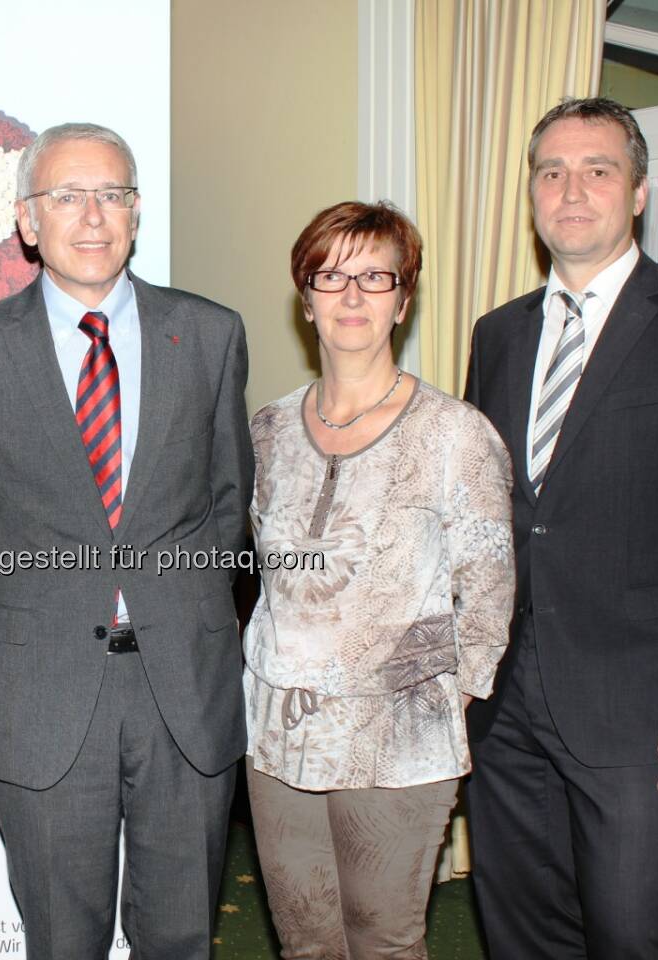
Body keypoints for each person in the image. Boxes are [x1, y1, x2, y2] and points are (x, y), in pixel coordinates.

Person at [0, 122, 253, 959]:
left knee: (180, 934)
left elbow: (227, 504)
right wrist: (26, 617)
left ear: (136, 214)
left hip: (183, 683)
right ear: (27, 222)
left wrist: (182, 605)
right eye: (67, 196)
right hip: (44, 690)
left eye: (113, 194)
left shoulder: (210, 336)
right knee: (61, 940)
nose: (93, 216)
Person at [464, 96, 658, 959]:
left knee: (634, 935)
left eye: (598, 170)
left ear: (638, 191)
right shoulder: (499, 336)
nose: (572, 189)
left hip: (639, 707)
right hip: (503, 700)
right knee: (521, 929)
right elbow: (493, 518)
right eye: (552, 172)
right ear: (531, 193)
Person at [242, 201, 514, 959]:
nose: (352, 296)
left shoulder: (453, 432)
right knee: (305, 942)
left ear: (404, 297)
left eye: (374, 277)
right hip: (276, 730)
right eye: (331, 276)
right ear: (305, 298)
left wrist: (440, 696)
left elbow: (488, 590)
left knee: (383, 942)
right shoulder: (264, 430)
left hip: (396, 737)